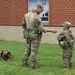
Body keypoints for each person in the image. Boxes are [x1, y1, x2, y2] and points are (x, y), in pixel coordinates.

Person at [22, 4, 57, 69]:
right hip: (35, 35)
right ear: (38, 8)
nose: (41, 11)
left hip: (27, 34)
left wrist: (26, 32)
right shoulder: (37, 17)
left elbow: (23, 25)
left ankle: (24, 63)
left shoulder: (26, 15)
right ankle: (33, 65)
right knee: (34, 50)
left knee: (27, 49)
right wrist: (50, 30)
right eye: (41, 10)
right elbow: (41, 29)